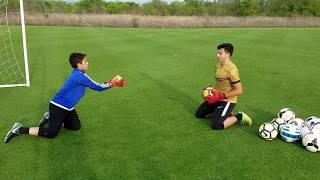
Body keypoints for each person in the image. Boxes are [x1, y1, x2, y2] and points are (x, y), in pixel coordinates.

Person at [4, 52, 127, 143]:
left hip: (68, 107)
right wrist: (112, 83)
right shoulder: (80, 76)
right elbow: (98, 87)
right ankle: (19, 129)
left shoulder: (80, 74)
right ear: (79, 64)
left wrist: (110, 83)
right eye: (85, 61)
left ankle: (49, 117)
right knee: (52, 133)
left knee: (75, 127)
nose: (87, 63)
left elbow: (96, 85)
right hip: (58, 106)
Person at [195, 43, 252, 130]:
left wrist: (220, 96)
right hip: (217, 97)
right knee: (199, 114)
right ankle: (223, 112)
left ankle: (239, 116)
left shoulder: (232, 70)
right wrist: (210, 90)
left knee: (216, 125)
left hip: (227, 100)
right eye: (217, 53)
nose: (217, 55)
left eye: (220, 53)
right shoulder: (218, 65)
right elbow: (220, 83)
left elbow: (239, 91)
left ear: (227, 54)